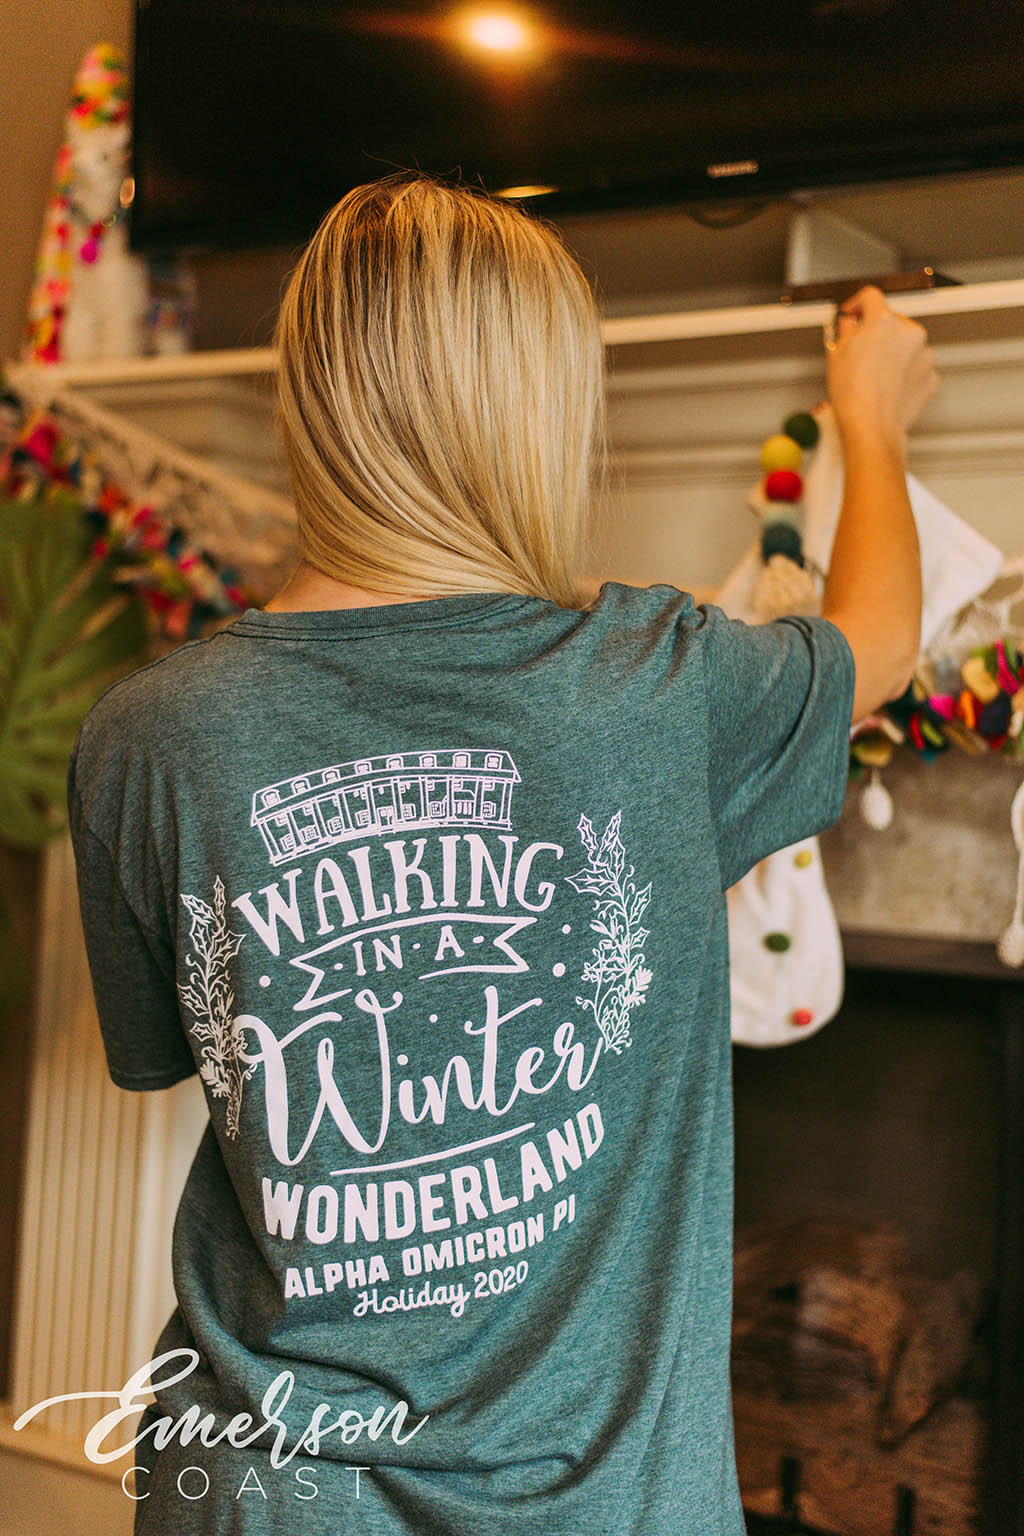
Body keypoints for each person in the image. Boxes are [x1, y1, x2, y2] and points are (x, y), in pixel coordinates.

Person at [67, 172, 937, 1535]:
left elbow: (185, 1059)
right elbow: (876, 643)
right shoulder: (658, 685)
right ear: (539, 410)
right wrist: (871, 419)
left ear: (315, 397)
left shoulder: (147, 737)